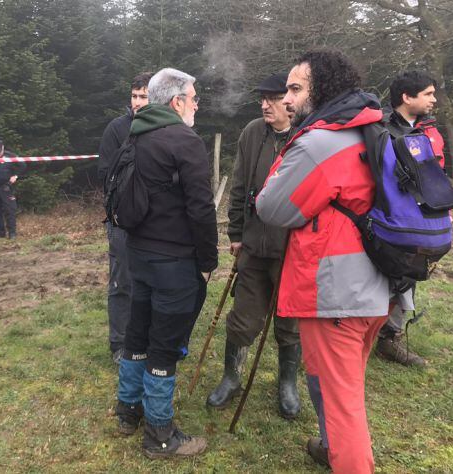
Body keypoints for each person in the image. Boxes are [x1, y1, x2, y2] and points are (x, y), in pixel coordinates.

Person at [256, 50, 390, 473]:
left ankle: (346, 457)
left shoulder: (321, 142)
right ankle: (332, 447)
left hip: (336, 294)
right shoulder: (372, 129)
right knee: (344, 393)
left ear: (322, 89)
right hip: (373, 288)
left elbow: (272, 207)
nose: (288, 98)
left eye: (296, 89)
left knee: (342, 407)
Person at [115, 68, 218, 459]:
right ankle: (160, 433)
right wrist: (208, 259)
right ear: (177, 102)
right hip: (174, 261)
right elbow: (201, 208)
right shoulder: (184, 139)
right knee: (165, 346)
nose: (196, 105)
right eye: (193, 98)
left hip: (137, 254)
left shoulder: (136, 132)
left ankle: (128, 411)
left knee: (136, 334)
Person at [206, 73, 301, 419]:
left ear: (290, 102)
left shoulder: (307, 136)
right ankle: (231, 377)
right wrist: (235, 233)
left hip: (292, 248)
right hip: (252, 246)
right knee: (243, 317)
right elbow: (240, 183)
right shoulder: (251, 133)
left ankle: (287, 384)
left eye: (273, 98)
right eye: (262, 99)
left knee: (289, 323)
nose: (265, 105)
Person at [374, 71, 445, 367]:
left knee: (409, 278)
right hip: (389, 222)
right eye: (428, 93)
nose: (434, 99)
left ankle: (390, 338)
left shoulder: (430, 134)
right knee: (380, 277)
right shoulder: (380, 132)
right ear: (407, 97)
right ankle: (365, 333)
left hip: (423, 224)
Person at [98, 72, 152, 364]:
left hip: (153, 222)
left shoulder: (161, 129)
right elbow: (104, 174)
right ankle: (119, 343)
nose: (137, 102)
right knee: (122, 282)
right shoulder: (117, 129)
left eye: (143, 96)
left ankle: (147, 338)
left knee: (151, 282)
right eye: (134, 96)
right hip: (120, 220)